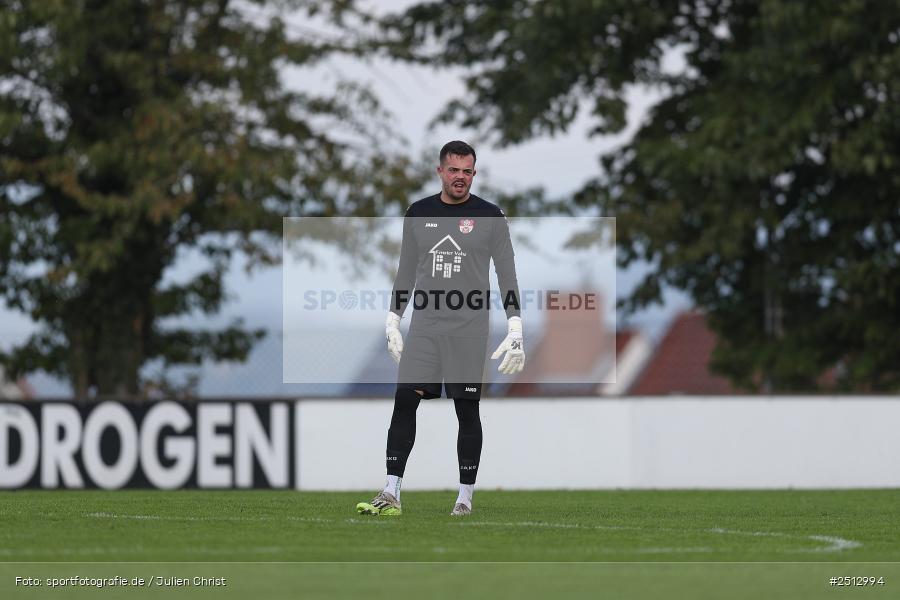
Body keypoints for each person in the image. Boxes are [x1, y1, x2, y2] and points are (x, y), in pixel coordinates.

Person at [356, 140, 524, 517]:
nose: (460, 177)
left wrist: (515, 325)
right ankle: (390, 491)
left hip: (469, 329)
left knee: (467, 409)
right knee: (405, 401)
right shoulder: (419, 213)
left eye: (467, 171)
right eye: (454, 170)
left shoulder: (490, 215)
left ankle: (464, 498)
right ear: (440, 171)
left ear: (474, 174)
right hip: (426, 327)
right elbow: (406, 268)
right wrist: (393, 319)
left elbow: (507, 272)